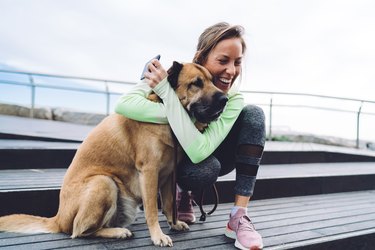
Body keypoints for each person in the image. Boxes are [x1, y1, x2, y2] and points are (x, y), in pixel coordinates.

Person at [115, 22, 266, 250]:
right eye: (223, 60)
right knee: (198, 168)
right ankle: (182, 193)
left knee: (254, 115)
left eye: (237, 62)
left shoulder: (232, 98)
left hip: (205, 154)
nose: (231, 71)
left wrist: (169, 97)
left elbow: (199, 151)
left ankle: (239, 215)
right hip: (178, 163)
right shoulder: (172, 76)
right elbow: (124, 104)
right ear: (201, 57)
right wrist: (165, 89)